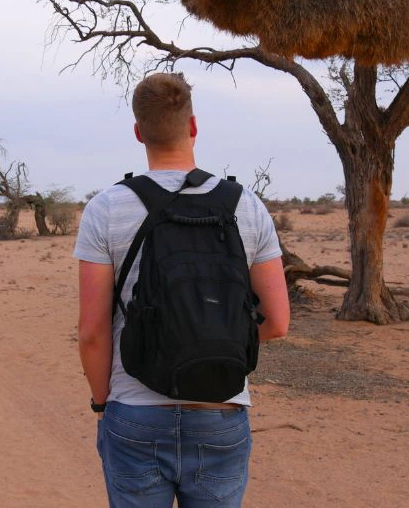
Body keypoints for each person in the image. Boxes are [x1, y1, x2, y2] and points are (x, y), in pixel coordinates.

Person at [74, 73, 290, 507]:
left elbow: (93, 332)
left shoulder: (107, 208)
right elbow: (277, 323)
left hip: (134, 413)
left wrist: (104, 405)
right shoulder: (245, 205)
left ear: (139, 132)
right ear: (192, 126)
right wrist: (212, 342)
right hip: (221, 412)